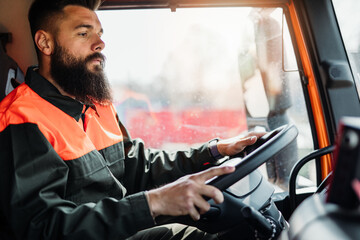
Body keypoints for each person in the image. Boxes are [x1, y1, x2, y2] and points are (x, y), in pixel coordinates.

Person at [0, 0, 264, 239]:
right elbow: (42, 227)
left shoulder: (98, 104)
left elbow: (139, 167)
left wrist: (214, 149)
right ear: (45, 43)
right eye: (83, 33)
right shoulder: (21, 118)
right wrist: (152, 203)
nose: (99, 43)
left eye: (99, 34)